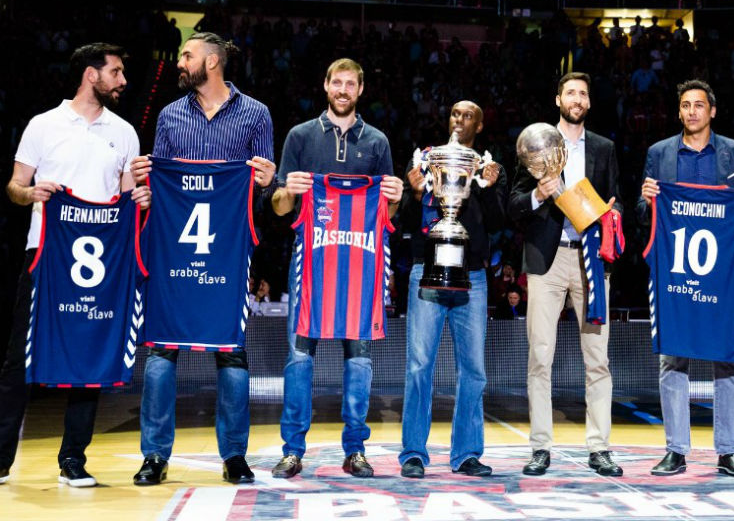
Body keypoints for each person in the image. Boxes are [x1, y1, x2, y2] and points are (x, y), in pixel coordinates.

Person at [130, 32, 276, 486]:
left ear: (212, 62)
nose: (180, 62)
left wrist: (268, 179)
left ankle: (234, 455)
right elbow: (162, 192)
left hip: (229, 251)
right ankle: (154, 455)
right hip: (175, 248)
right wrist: (145, 185)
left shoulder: (256, 113)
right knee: (160, 347)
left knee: (231, 351)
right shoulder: (171, 116)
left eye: (186, 55)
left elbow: (263, 190)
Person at [1, 43, 137, 487]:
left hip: (99, 266)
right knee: (18, 359)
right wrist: (32, 194)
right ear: (90, 76)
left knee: (90, 358)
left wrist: (143, 197)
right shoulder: (44, 125)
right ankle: (2, 458)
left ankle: (73, 459)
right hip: (44, 254)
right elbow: (15, 186)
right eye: (115, 72)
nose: (122, 81)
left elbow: (126, 198)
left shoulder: (125, 132)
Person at [269, 58, 403, 479]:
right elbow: (277, 207)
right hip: (310, 260)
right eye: (337, 82)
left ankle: (356, 449)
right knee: (299, 357)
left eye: (351, 84)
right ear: (326, 85)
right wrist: (287, 191)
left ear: (360, 90)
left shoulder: (377, 142)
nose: (343, 89)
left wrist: (396, 195)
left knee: (359, 359)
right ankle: (292, 450)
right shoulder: (301, 136)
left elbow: (388, 211)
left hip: (361, 263)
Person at [636, 79, 734, 478]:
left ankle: (728, 451)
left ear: (713, 111)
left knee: (727, 359)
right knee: (673, 356)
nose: (692, 111)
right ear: (679, 112)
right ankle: (676, 449)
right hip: (676, 272)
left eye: (699, 105)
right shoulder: (659, 154)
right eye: (685, 105)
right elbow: (644, 215)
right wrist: (647, 198)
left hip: (723, 275)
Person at [509, 72, 623, 477]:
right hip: (547, 259)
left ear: (589, 103)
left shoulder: (604, 148)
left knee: (598, 359)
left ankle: (600, 447)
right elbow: (514, 205)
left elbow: (617, 201)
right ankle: (540, 447)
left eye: (583, 94)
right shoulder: (536, 143)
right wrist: (541, 191)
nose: (576, 99)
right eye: (570, 92)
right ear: (558, 99)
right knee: (540, 357)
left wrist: (614, 214)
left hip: (591, 260)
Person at [397, 100, 507, 479]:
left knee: (474, 370)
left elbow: (496, 223)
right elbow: (403, 224)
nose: (459, 121)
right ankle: (413, 452)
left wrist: (490, 189)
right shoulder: (427, 162)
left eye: (469, 117)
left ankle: (466, 454)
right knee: (419, 366)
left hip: (472, 277)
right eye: (455, 114)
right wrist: (412, 195)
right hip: (425, 272)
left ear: (479, 127)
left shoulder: (488, 167)